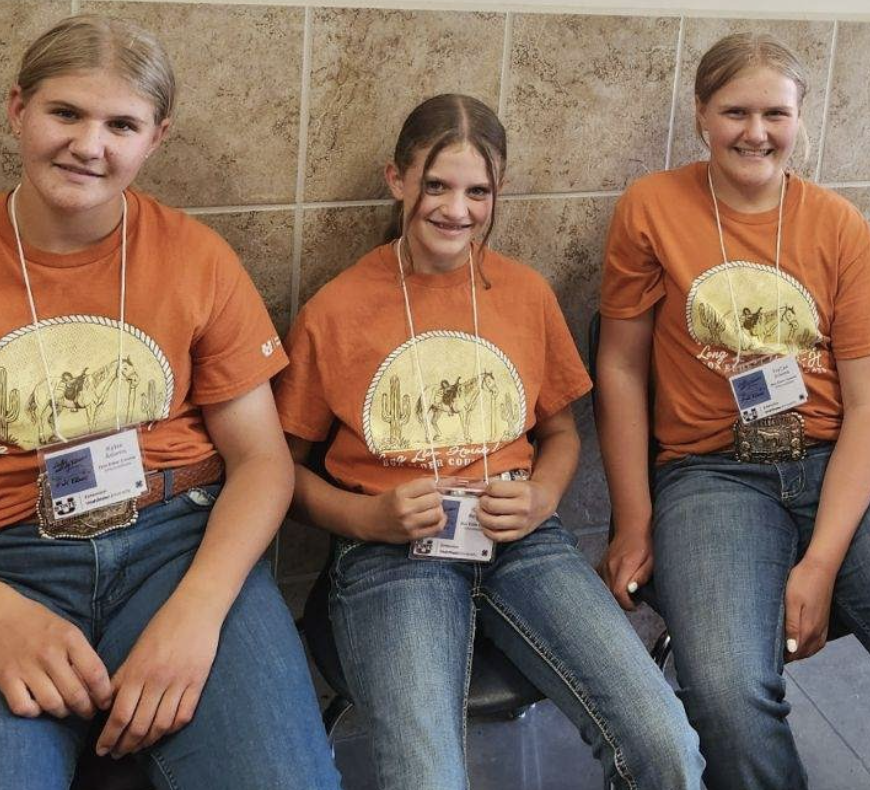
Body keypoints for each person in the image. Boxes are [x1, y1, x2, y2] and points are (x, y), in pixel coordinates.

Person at [275, 92, 703, 790]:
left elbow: (560, 432)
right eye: (437, 185)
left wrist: (542, 498)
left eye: (479, 191)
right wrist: (363, 517)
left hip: (521, 539)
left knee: (664, 741)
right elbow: (280, 472)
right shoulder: (338, 308)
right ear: (397, 181)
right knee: (425, 776)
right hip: (392, 553)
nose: (457, 209)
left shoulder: (524, 294)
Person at [0, 15, 341, 790]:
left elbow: (260, 462)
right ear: (18, 108)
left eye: (121, 124)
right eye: (66, 113)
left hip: (175, 545)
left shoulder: (195, 258)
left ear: (155, 139)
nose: (91, 145)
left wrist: (197, 614)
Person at [597, 31, 870, 790]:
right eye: (735, 111)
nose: (756, 132)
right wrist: (633, 519)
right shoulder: (651, 207)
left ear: (801, 116)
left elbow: (868, 409)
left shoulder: (842, 228)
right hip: (711, 476)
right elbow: (619, 367)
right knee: (725, 693)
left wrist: (819, 567)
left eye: (775, 113)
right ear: (700, 116)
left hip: (833, 462)